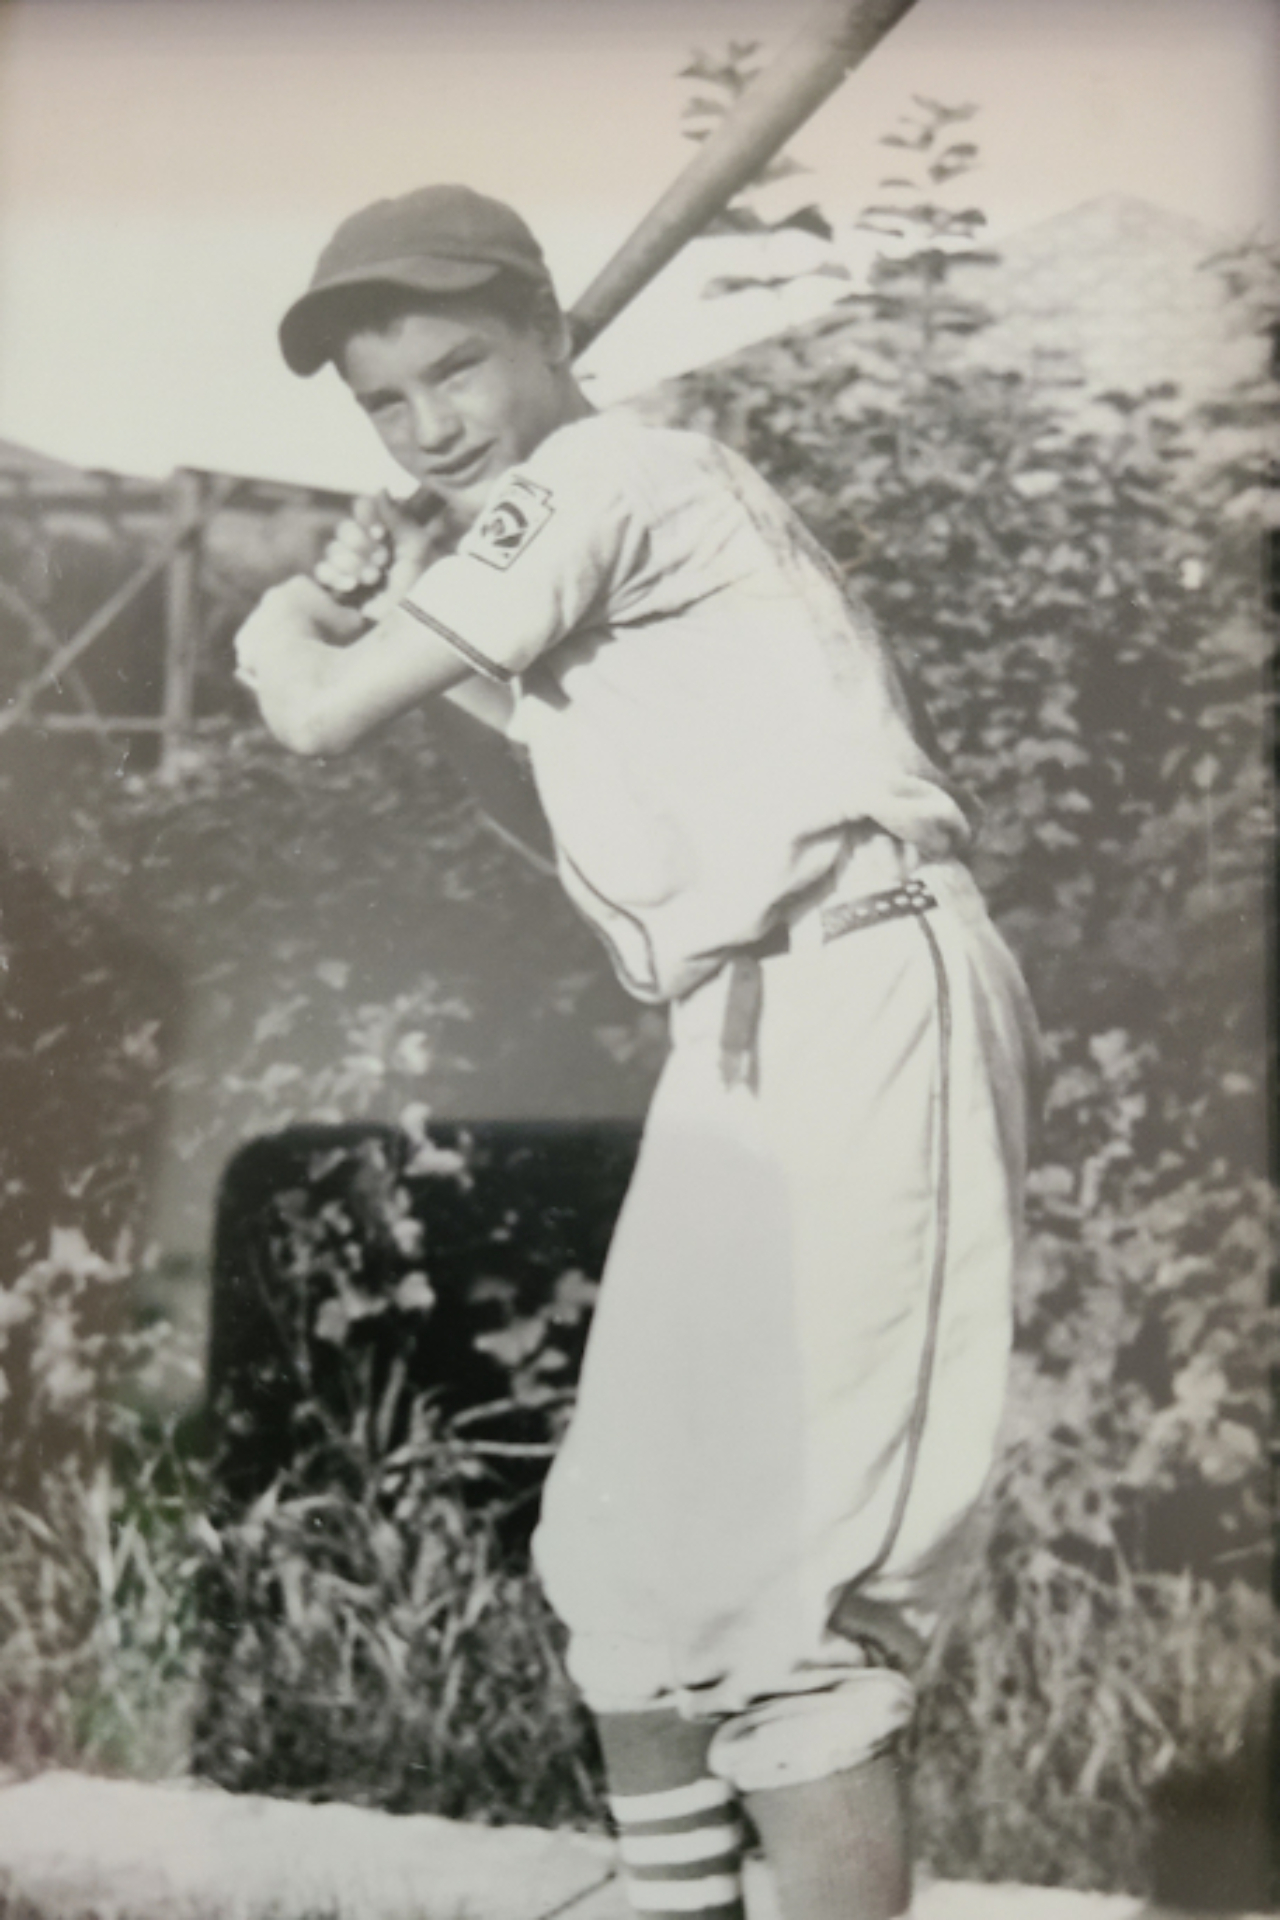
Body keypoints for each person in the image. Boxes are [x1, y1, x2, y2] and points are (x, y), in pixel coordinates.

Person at [234, 183, 1040, 1920]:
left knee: (792, 1611)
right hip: (740, 1020)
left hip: (858, 981)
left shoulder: (614, 475)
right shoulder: (570, 539)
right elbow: (540, 804)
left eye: (464, 366)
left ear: (557, 333)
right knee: (625, 1569)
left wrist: (291, 622)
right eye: (389, 404)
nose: (433, 423)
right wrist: (417, 613)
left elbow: (305, 712)